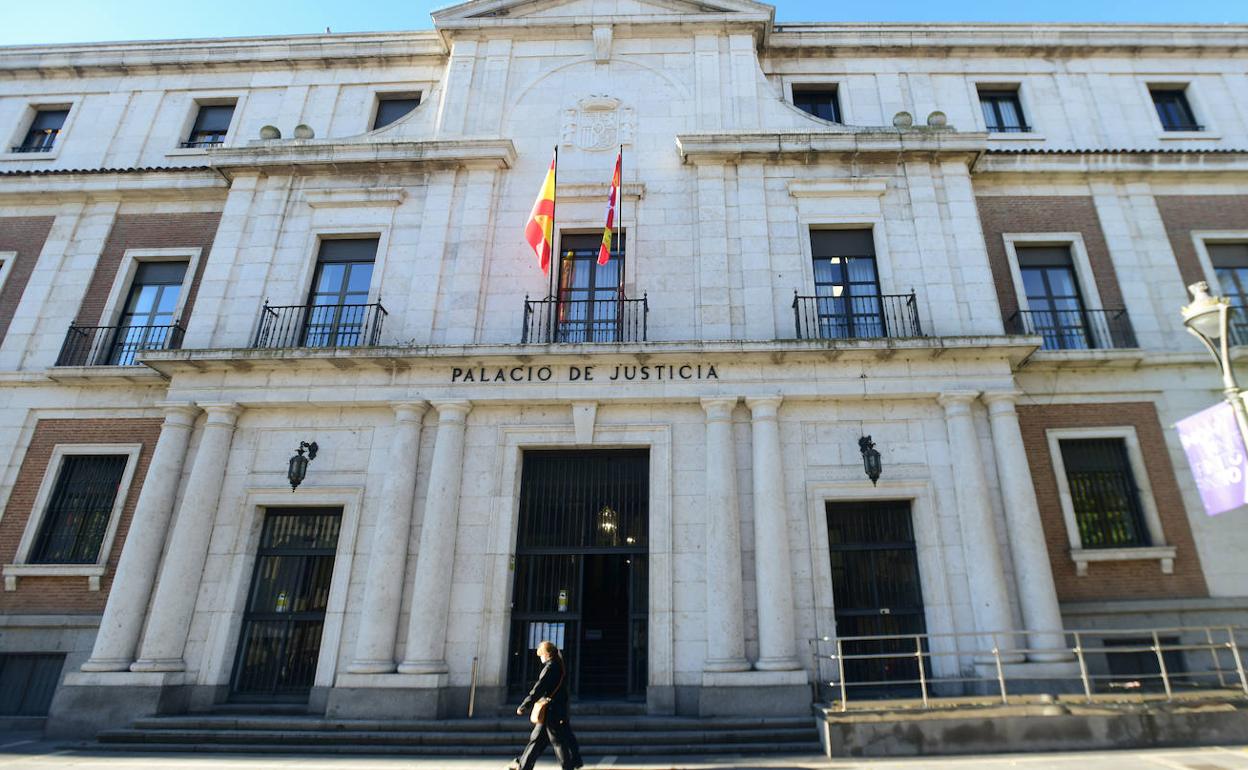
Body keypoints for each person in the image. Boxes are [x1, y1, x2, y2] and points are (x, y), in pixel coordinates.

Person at [509, 640, 583, 770]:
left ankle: (568, 766)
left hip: (551, 710)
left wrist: (525, 704)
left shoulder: (550, 668)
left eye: (541, 654)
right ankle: (524, 765)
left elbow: (539, 688)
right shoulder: (559, 665)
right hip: (556, 709)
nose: (540, 657)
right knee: (538, 740)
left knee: (556, 741)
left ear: (547, 654)